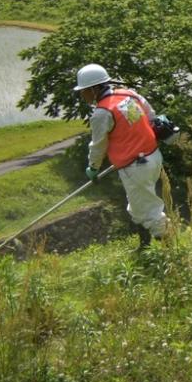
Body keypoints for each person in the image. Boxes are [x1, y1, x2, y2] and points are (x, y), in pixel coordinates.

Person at [75, 62, 171, 246]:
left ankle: (170, 250)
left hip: (136, 166)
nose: (82, 94)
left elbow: (98, 145)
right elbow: (151, 116)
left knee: (149, 211)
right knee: (137, 208)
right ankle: (145, 247)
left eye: (84, 90)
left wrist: (93, 167)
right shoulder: (127, 96)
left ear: (95, 88)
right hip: (152, 156)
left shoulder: (102, 113)